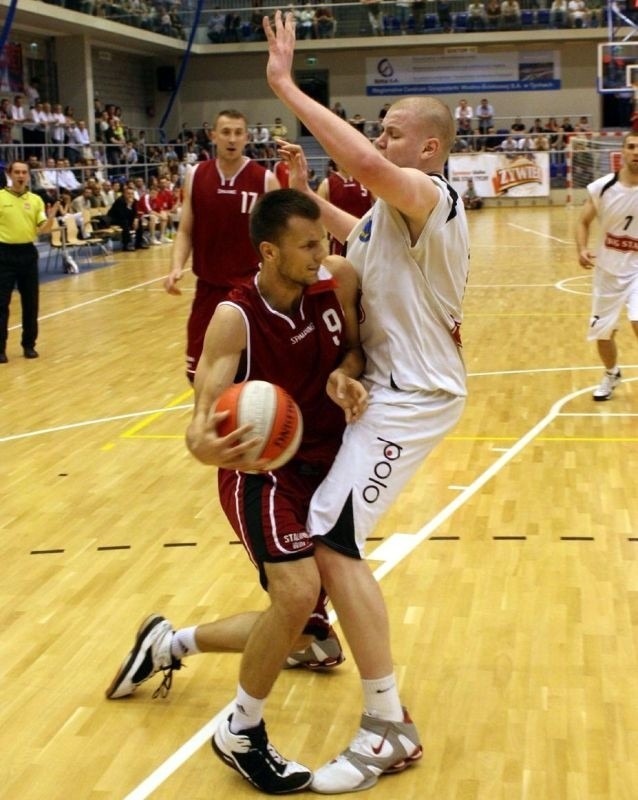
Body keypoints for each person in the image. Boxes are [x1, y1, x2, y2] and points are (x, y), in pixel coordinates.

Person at [264, 10, 469, 793]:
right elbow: (349, 231)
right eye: (378, 132)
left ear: (429, 148)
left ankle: (390, 726)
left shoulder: (432, 195)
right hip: (387, 390)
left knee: (334, 542)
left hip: (414, 398)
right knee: (330, 538)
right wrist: (298, 189)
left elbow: (362, 169)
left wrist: (288, 87)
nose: (377, 142)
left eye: (390, 132)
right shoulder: (393, 215)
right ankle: (383, 712)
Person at [107, 189, 367, 795]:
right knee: (297, 594)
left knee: (304, 631)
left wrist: (344, 375)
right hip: (263, 473)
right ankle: (242, 730)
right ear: (270, 251)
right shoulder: (236, 314)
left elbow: (355, 348)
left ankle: (169, 644)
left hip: (329, 467)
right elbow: (202, 415)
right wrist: (202, 443)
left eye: (323, 240)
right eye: (308, 245)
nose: (322, 253)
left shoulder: (338, 280)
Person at [164, 109, 280, 382]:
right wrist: (175, 267)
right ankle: (208, 424)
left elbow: (279, 238)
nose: (232, 138)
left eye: (238, 133)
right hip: (208, 290)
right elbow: (185, 229)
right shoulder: (196, 175)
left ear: (247, 137)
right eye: (226, 132)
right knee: (198, 375)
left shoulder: (265, 179)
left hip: (251, 292)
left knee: (252, 376)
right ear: (213, 136)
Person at [575, 131, 638, 401]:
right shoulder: (602, 187)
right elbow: (582, 221)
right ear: (622, 152)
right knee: (603, 332)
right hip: (609, 271)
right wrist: (581, 249)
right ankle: (612, 373)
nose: (636, 152)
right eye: (632, 146)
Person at [0, 160, 59, 363]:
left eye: (24, 172)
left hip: (27, 253)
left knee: (31, 303)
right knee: (1, 304)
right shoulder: (0, 197)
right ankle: (0, 349)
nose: (20, 176)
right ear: (9, 174)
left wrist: (51, 218)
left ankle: (29, 345)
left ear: (28, 175)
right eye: (16, 172)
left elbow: (43, 229)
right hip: (4, 254)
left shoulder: (35, 200)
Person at [316, 161, 373, 255]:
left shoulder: (365, 180)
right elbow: (317, 212)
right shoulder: (327, 183)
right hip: (338, 239)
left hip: (365, 237)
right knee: (339, 268)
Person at [107, 185, 148, 251]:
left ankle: (139, 243)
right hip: (115, 219)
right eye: (128, 193)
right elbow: (122, 215)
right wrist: (128, 205)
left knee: (139, 221)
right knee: (125, 223)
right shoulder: (120, 201)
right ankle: (127, 244)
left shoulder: (134, 201)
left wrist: (136, 219)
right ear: (124, 194)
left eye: (132, 194)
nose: (130, 195)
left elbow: (137, 212)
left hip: (126, 218)